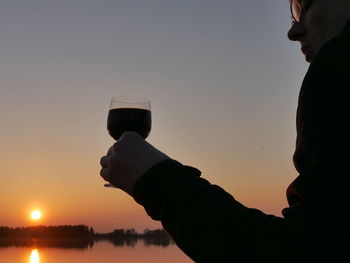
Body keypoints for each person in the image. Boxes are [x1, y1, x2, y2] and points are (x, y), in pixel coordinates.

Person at [100, 0, 350, 262]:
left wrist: (155, 180)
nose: (293, 31)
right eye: (293, 12)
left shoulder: (337, 65)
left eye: (303, 5)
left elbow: (301, 252)